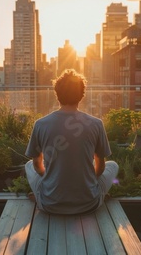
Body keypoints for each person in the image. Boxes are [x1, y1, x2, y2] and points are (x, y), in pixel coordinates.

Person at [24, 69, 119, 215]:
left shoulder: (40, 124)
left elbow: (37, 166)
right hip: (89, 204)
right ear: (82, 95)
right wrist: (85, 180)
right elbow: (100, 168)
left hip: (49, 204)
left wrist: (51, 177)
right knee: (113, 166)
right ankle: (98, 194)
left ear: (57, 95)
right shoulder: (96, 124)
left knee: (29, 165)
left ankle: (39, 195)